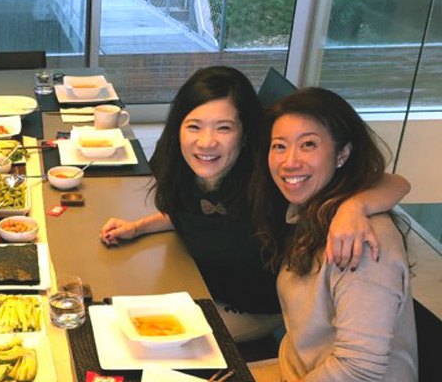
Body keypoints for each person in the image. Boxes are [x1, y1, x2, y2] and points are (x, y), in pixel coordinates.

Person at [99, 66, 410, 342]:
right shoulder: (178, 166)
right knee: (112, 311)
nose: (206, 142)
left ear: (245, 134)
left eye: (224, 128)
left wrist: (354, 208)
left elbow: (396, 182)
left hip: (256, 310)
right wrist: (139, 226)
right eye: (194, 126)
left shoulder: (269, 175)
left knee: (140, 340)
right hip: (201, 287)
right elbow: (190, 214)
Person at [249, 87, 418, 382]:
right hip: (300, 378)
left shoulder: (361, 245)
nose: (290, 161)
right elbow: (394, 181)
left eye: (309, 145)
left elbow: (354, 374)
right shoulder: (322, 210)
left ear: (342, 154)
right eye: (279, 146)